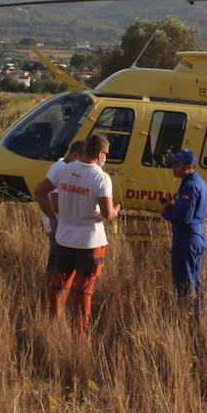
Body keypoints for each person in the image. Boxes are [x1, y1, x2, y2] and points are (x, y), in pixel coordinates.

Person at [42, 133, 121, 335]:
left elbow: (41, 190)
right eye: (105, 154)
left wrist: (52, 215)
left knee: (59, 284)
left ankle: (52, 325)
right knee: (84, 289)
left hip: (64, 238)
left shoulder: (64, 170)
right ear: (100, 154)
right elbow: (106, 213)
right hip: (90, 241)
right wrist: (116, 211)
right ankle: (80, 333)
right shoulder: (101, 178)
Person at [35, 140, 86, 306]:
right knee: (57, 267)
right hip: (58, 227)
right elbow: (56, 203)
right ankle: (48, 302)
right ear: (75, 155)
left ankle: (51, 302)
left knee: (59, 266)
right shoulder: (63, 169)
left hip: (61, 226)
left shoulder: (61, 166)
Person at [160, 148, 207, 308]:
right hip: (195, 236)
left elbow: (184, 218)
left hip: (187, 238)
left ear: (189, 166)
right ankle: (197, 316)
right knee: (193, 278)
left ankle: (187, 317)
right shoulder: (198, 183)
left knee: (184, 281)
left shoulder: (190, 186)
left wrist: (166, 213)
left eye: (177, 164)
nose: (174, 167)